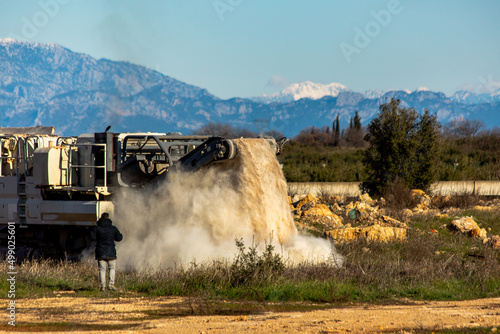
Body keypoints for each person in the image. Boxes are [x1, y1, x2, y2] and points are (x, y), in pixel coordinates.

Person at [90, 212, 123, 291]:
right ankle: (111, 285)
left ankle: (103, 287)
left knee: (102, 269)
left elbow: (91, 238)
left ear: (101, 218)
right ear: (108, 218)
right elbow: (119, 238)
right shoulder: (113, 228)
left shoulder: (97, 228)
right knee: (112, 268)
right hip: (111, 252)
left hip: (101, 252)